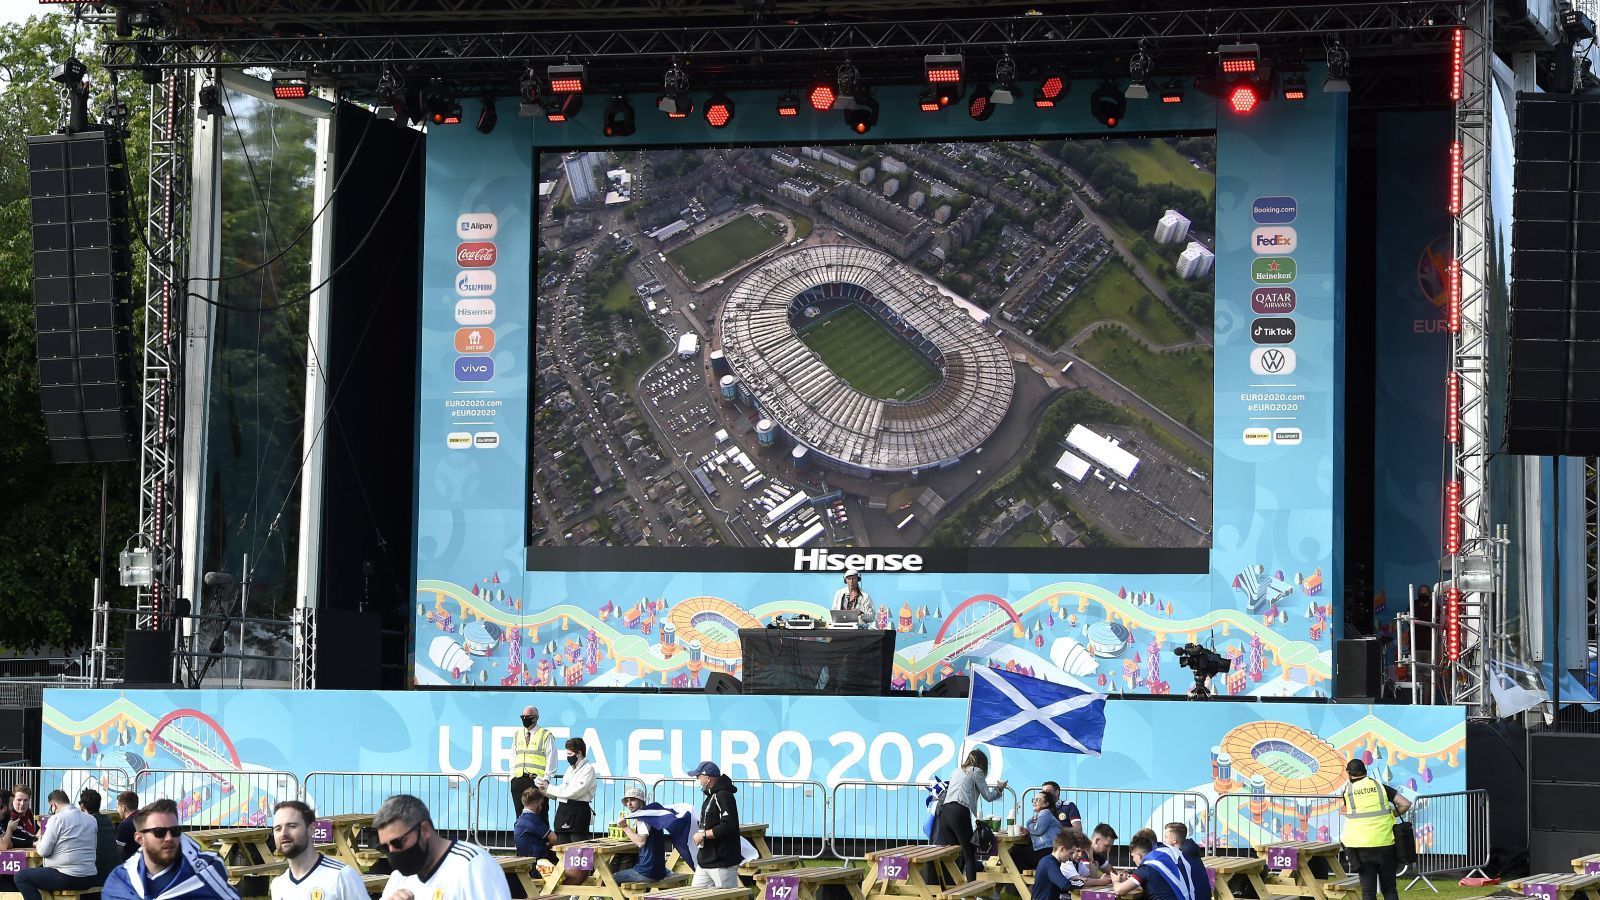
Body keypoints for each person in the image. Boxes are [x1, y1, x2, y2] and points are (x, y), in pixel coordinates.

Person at [374, 793, 509, 900]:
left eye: (398, 842)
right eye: (385, 848)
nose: (393, 852)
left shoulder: (473, 865)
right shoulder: (399, 878)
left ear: (425, 830)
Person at [102, 798, 239, 900]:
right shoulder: (120, 882)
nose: (169, 838)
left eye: (175, 831)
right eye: (159, 832)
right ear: (139, 838)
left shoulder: (205, 874)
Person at [1340, 758, 1411, 900]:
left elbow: (1348, 810)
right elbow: (1405, 804)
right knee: (1390, 889)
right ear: (1365, 771)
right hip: (1386, 845)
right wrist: (1391, 814)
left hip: (1361, 847)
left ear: (1348, 773)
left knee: (1368, 892)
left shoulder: (1348, 791)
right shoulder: (1380, 787)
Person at [933, 748, 1007, 883]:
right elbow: (988, 796)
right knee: (969, 854)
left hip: (945, 812)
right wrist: (999, 788)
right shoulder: (976, 771)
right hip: (959, 812)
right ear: (982, 764)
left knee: (956, 853)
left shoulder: (956, 771)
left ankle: (954, 886)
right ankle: (970, 891)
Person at [269, 800, 367, 900]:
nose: (283, 833)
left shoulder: (341, 875)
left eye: (292, 826)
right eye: (278, 828)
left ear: (311, 829)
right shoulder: (278, 885)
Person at [14, 790, 99, 900]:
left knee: (20, 877)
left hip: (67, 876)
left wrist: (39, 844)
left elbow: (44, 851)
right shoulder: (91, 819)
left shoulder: (57, 819)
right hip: (90, 877)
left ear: (53, 805)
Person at [688, 761, 740, 888]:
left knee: (728, 898)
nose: (697, 780)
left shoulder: (724, 795)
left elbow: (729, 825)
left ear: (707, 778)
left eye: (698, 777)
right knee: (694, 896)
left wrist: (703, 835)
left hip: (722, 862)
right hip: (705, 861)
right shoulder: (711, 795)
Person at [1113, 828, 1198, 900]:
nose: (1133, 860)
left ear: (1139, 855)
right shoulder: (1161, 858)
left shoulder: (1146, 867)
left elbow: (1119, 890)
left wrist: (1115, 881)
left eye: (1133, 856)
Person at [540, 737, 596, 845]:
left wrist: (550, 788)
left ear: (579, 753)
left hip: (578, 812)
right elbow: (562, 791)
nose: (568, 757)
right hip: (563, 811)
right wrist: (545, 791)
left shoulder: (588, 769)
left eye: (570, 754)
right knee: (561, 850)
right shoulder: (569, 769)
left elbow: (574, 792)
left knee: (578, 850)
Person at [612, 787, 669, 885]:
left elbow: (641, 842)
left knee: (609, 879)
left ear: (641, 801)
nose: (629, 804)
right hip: (659, 871)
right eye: (627, 801)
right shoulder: (651, 814)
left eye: (633, 800)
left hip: (647, 873)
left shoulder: (642, 818)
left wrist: (625, 827)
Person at [510, 706, 555, 818]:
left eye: (528, 717)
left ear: (536, 718)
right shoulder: (517, 734)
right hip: (519, 780)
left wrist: (546, 779)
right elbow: (513, 756)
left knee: (540, 816)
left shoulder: (545, 735)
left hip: (536, 781)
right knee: (520, 817)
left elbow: (552, 757)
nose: (525, 719)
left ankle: (542, 836)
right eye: (523, 717)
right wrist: (513, 777)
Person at [1014, 789, 1061, 871]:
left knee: (1014, 855)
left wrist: (1029, 823)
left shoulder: (1045, 813)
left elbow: (1037, 830)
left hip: (1047, 850)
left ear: (1046, 804)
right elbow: (1042, 832)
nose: (1034, 802)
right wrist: (1029, 832)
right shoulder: (1046, 814)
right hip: (1049, 850)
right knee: (1017, 850)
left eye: (1038, 799)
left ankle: (1022, 881)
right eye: (1033, 799)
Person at [79, 788, 122, 878]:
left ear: (82, 806)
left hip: (97, 873)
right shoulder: (107, 820)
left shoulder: (85, 822)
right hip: (113, 871)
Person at [1032, 832, 1088, 900]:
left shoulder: (1052, 862)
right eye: (1070, 853)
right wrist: (1081, 881)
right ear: (1062, 849)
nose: (1071, 857)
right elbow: (1065, 885)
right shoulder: (1049, 863)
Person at [1162, 823, 1210, 900]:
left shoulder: (1182, 858)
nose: (1164, 840)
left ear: (1174, 840)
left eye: (1166, 837)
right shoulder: (1190, 851)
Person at [513, 787, 555, 862]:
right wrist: (548, 844)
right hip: (536, 861)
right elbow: (553, 838)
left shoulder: (520, 820)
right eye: (540, 804)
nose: (541, 807)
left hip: (524, 858)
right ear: (535, 805)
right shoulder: (532, 820)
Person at [0, 785, 39, 850]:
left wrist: (38, 840)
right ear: (4, 807)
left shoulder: (29, 813)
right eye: (11, 805)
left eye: (25, 800)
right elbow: (4, 845)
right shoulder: (10, 818)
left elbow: (13, 839)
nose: (22, 803)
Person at [115, 791, 139, 860]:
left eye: (117, 807)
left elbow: (118, 851)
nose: (117, 810)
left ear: (123, 808)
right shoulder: (145, 818)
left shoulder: (125, 825)